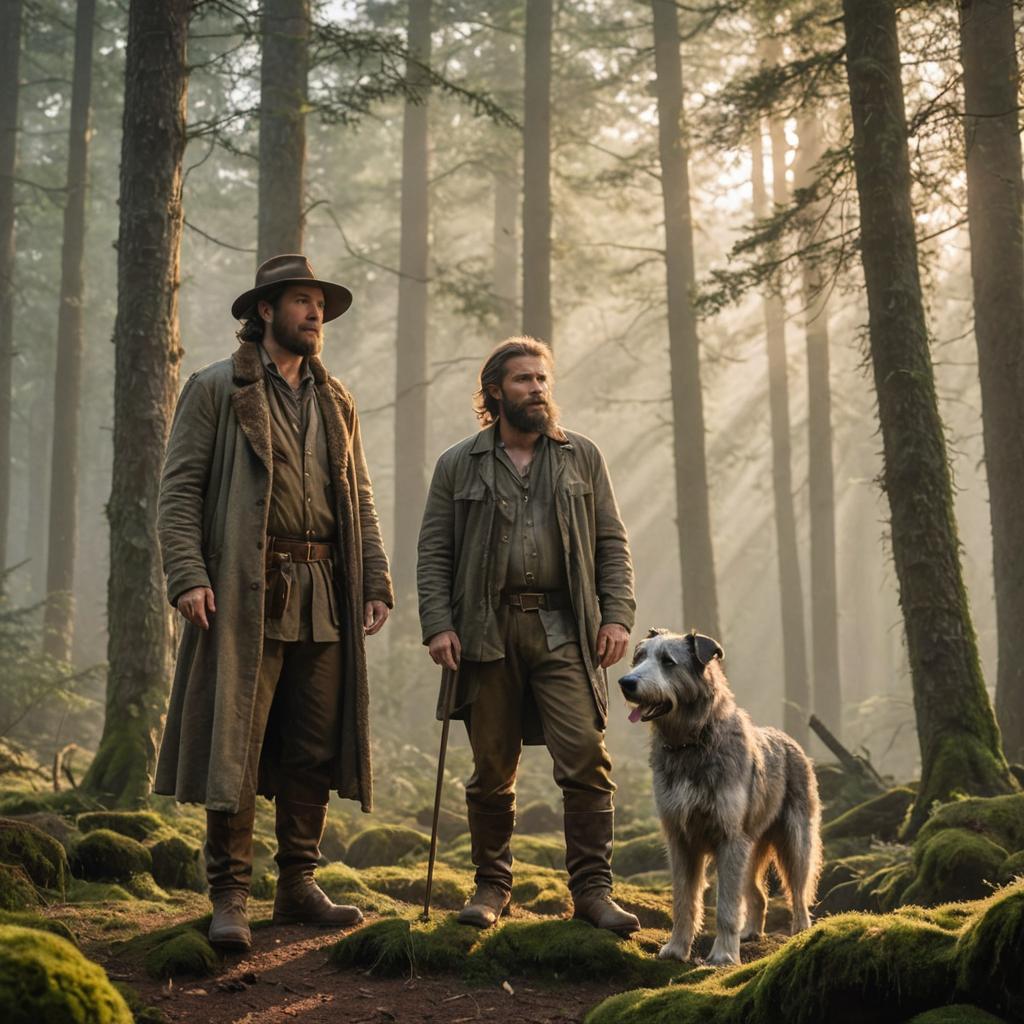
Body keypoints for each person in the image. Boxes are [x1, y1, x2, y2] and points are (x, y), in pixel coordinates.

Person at [154, 254, 393, 952]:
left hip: (325, 592)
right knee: (238, 741)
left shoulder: (335, 398)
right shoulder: (214, 389)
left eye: (319, 303)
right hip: (242, 591)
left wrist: (373, 581)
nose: (315, 314)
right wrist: (188, 575)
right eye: (301, 301)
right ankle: (229, 894)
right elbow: (178, 495)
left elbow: (361, 500)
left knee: (312, 745)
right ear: (265, 310)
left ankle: (296, 886)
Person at [417, 336, 639, 934]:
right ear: (495, 391)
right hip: (485, 632)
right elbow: (434, 552)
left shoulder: (581, 457)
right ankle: (492, 887)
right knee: (492, 766)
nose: (538, 389)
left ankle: (593, 892)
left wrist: (616, 615)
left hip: (566, 629)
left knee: (586, 758)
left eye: (543, 379)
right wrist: (438, 624)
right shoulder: (457, 463)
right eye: (524, 380)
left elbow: (611, 543)